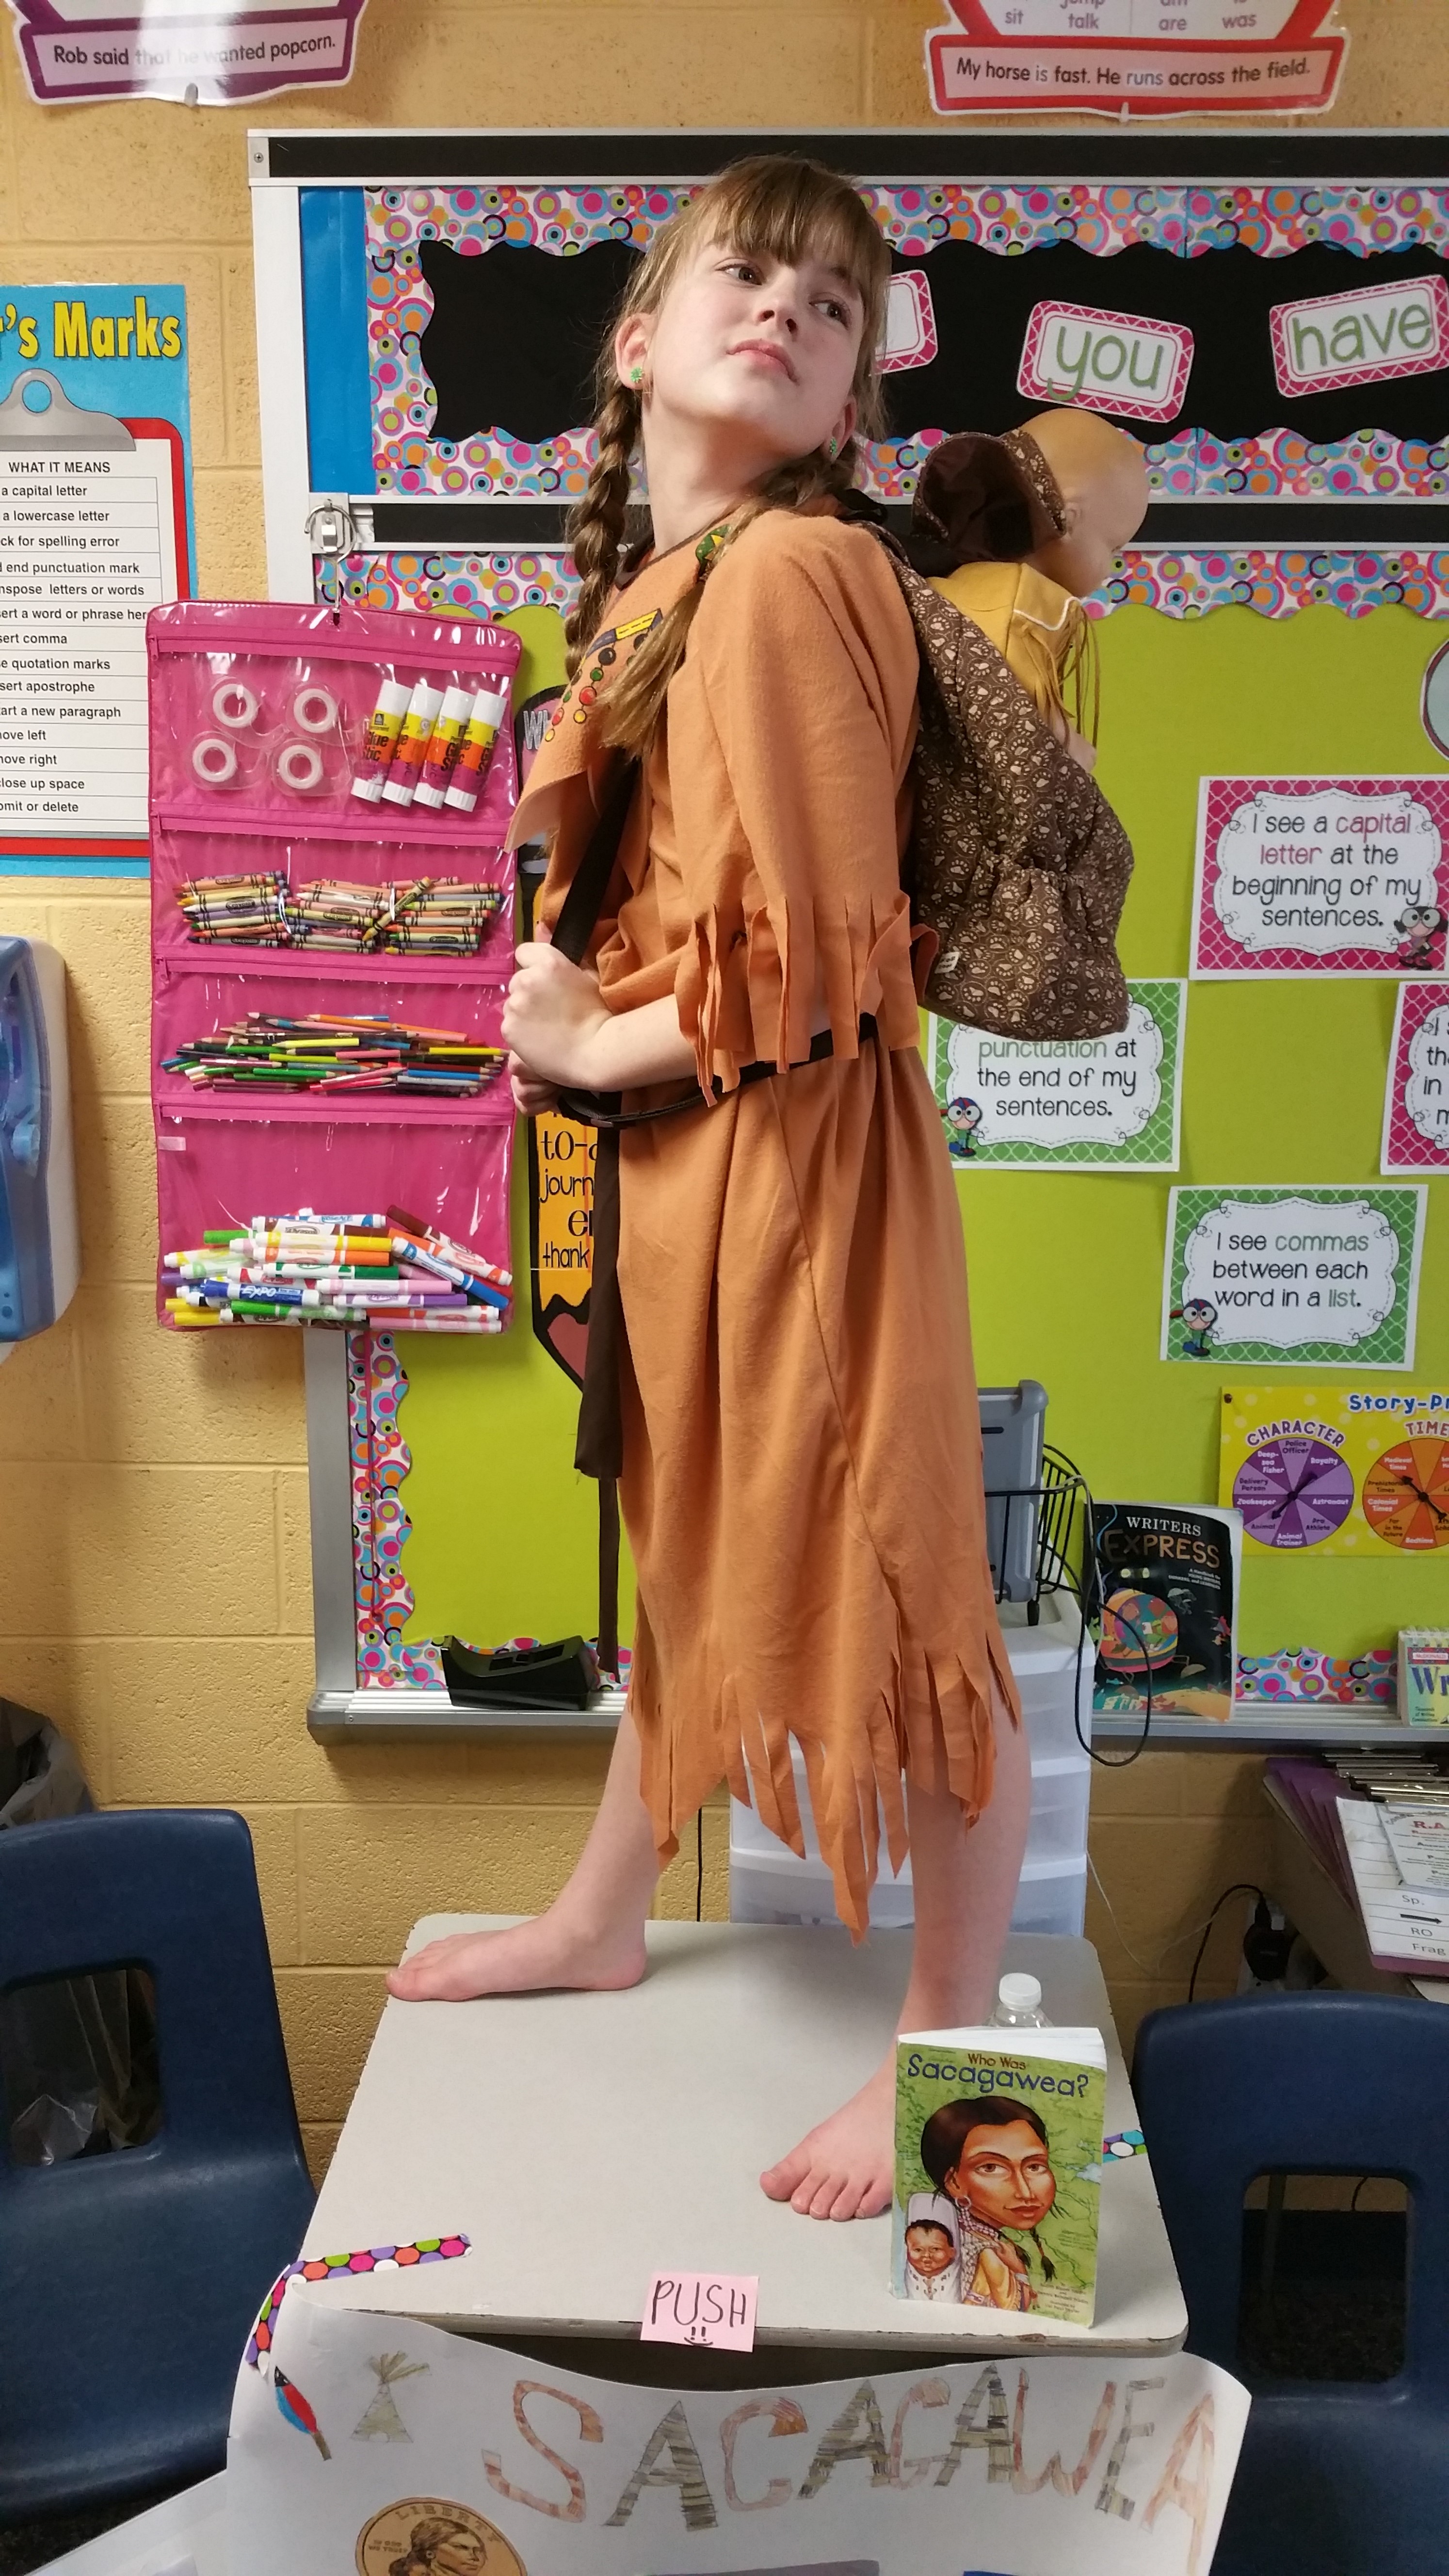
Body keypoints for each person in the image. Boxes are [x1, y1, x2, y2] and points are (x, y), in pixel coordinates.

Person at [387, 153, 1030, 2225]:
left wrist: (588, 1044)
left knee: (909, 1600)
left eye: (831, 307)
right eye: (745, 275)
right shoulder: (660, 598)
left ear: (849, 400)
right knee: (684, 1557)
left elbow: (831, 960)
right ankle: (603, 1907)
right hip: (703, 1170)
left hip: (795, 1171)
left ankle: (943, 2045)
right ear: (636, 337)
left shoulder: (781, 574)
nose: (784, 312)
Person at [915, 407, 1149, 770]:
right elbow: (1011, 707)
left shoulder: (969, 582)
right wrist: (1066, 743)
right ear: (1070, 519)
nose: (1109, 568)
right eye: (1113, 548)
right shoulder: (1017, 604)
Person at [919, 2094, 1059, 2310]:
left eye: (1034, 2167)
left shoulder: (966, 2237)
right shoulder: (985, 2253)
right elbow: (1014, 2309)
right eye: (991, 2168)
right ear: (954, 2182)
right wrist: (1019, 2270)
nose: (1025, 2192)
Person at [902, 2189, 964, 2302]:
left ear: (952, 2252)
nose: (927, 2255)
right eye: (918, 2250)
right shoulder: (904, 2280)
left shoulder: (963, 2279)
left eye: (935, 2249)